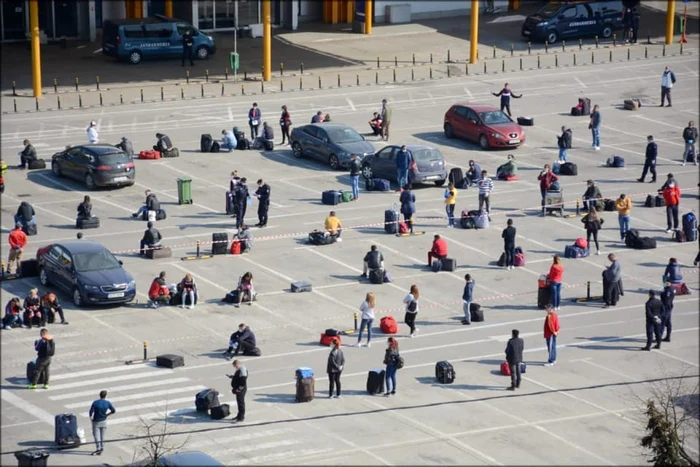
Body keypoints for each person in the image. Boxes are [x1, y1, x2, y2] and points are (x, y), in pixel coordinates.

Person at [89, 390, 116, 456]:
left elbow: (90, 412)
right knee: (102, 436)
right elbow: (113, 411)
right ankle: (102, 448)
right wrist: (107, 415)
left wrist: (91, 419)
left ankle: (98, 448)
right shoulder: (107, 403)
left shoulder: (95, 403)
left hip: (96, 421)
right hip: (103, 421)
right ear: (105, 396)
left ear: (99, 395)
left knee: (96, 436)